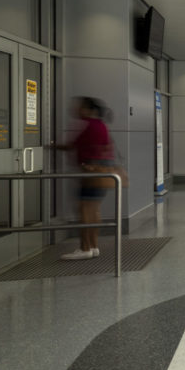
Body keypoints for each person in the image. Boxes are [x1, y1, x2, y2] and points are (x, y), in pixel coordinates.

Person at [58, 97, 121, 260]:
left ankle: (85, 248)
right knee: (94, 208)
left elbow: (73, 145)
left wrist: (50, 146)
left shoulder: (88, 125)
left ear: (89, 109)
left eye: (81, 107)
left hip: (92, 169)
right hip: (103, 169)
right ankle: (93, 246)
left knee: (84, 208)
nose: (77, 110)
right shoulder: (101, 125)